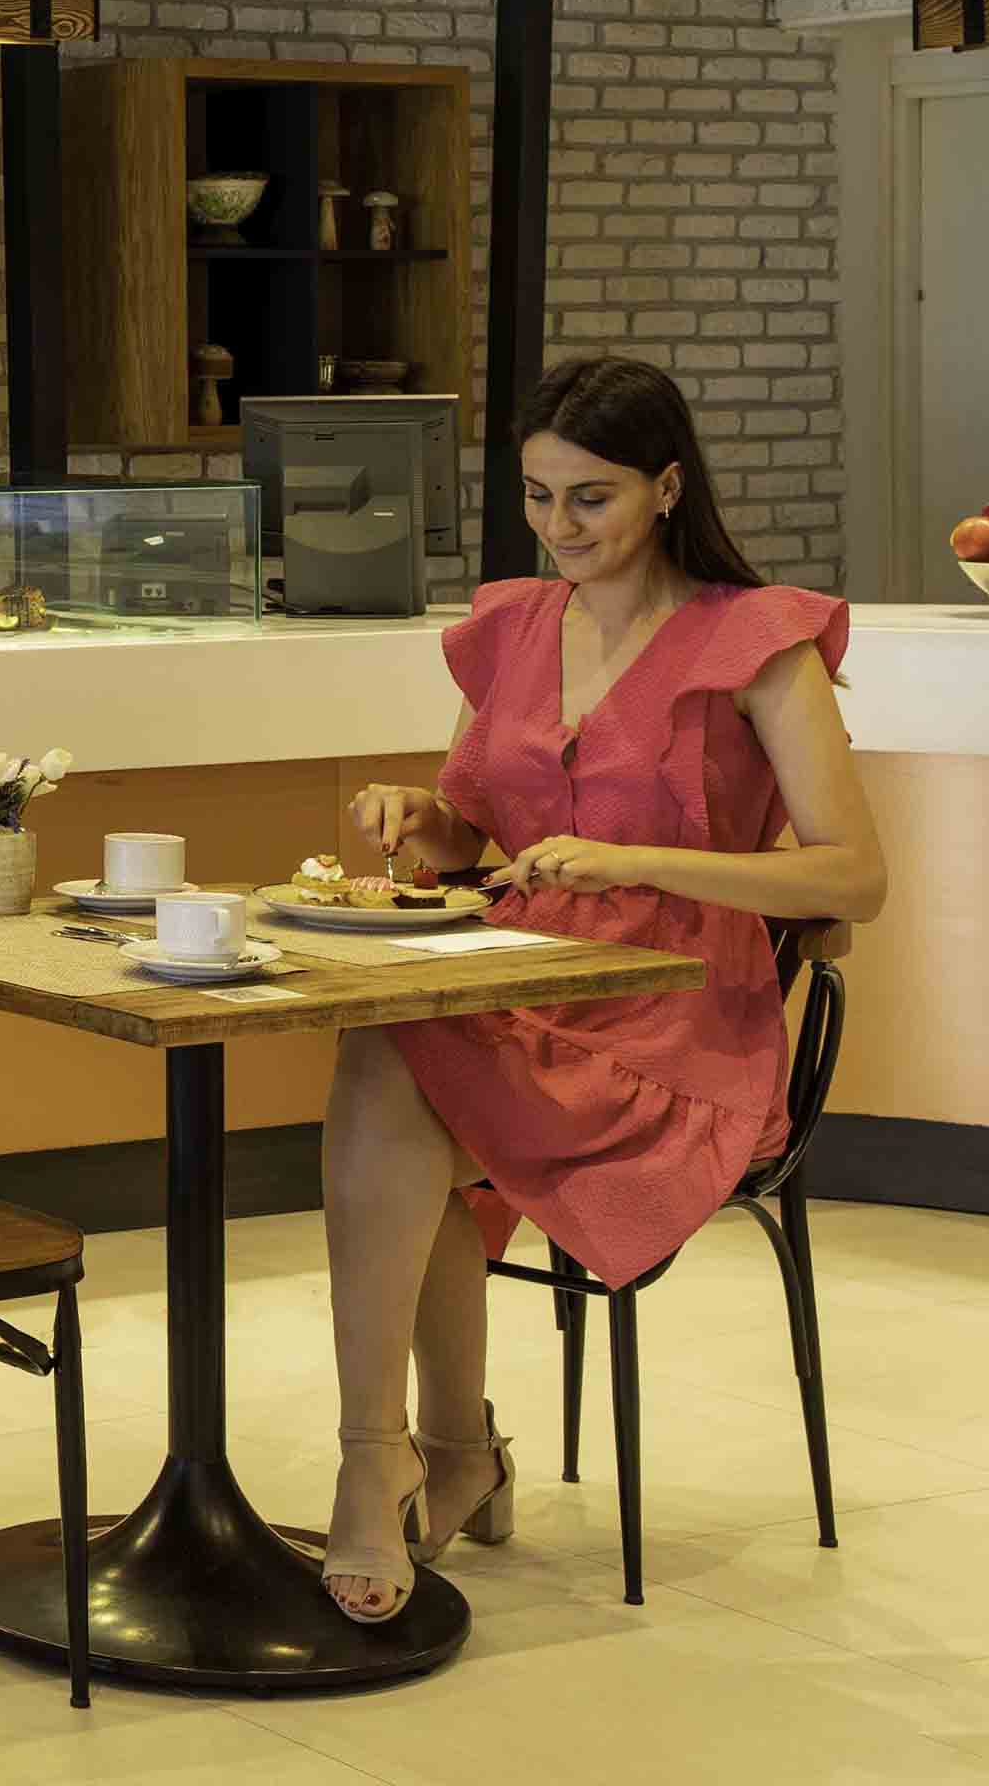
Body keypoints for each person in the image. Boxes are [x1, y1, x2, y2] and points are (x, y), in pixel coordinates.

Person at [314, 355, 886, 1622]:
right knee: (385, 1049)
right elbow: (474, 830)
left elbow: (857, 875)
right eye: (537, 495)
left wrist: (638, 860)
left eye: (591, 497)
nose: (559, 526)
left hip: (676, 1018)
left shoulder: (759, 640)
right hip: (522, 976)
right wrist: (421, 815)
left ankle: (417, 1460)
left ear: (667, 487)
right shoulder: (516, 626)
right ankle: (404, 1451)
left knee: (395, 1077)